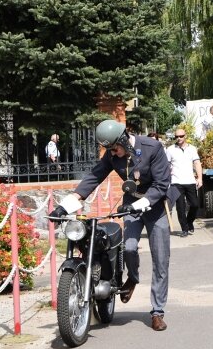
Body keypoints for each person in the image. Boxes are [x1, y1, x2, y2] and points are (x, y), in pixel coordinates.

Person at [49, 119, 178, 332]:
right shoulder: (111, 155)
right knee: (128, 248)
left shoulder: (152, 147)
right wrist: (65, 206)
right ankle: (133, 278)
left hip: (155, 205)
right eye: (109, 149)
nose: (113, 153)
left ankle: (157, 311)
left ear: (124, 140)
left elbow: (162, 184)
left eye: (115, 148)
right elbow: (93, 177)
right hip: (131, 205)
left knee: (160, 259)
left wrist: (143, 203)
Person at [166, 128, 202, 237]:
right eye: (176, 136)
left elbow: (197, 163)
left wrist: (200, 178)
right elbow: (167, 166)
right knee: (180, 207)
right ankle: (184, 229)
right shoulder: (170, 149)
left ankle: (189, 221)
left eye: (181, 136)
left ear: (185, 136)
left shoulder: (192, 148)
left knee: (195, 205)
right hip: (176, 182)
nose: (179, 138)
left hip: (190, 181)